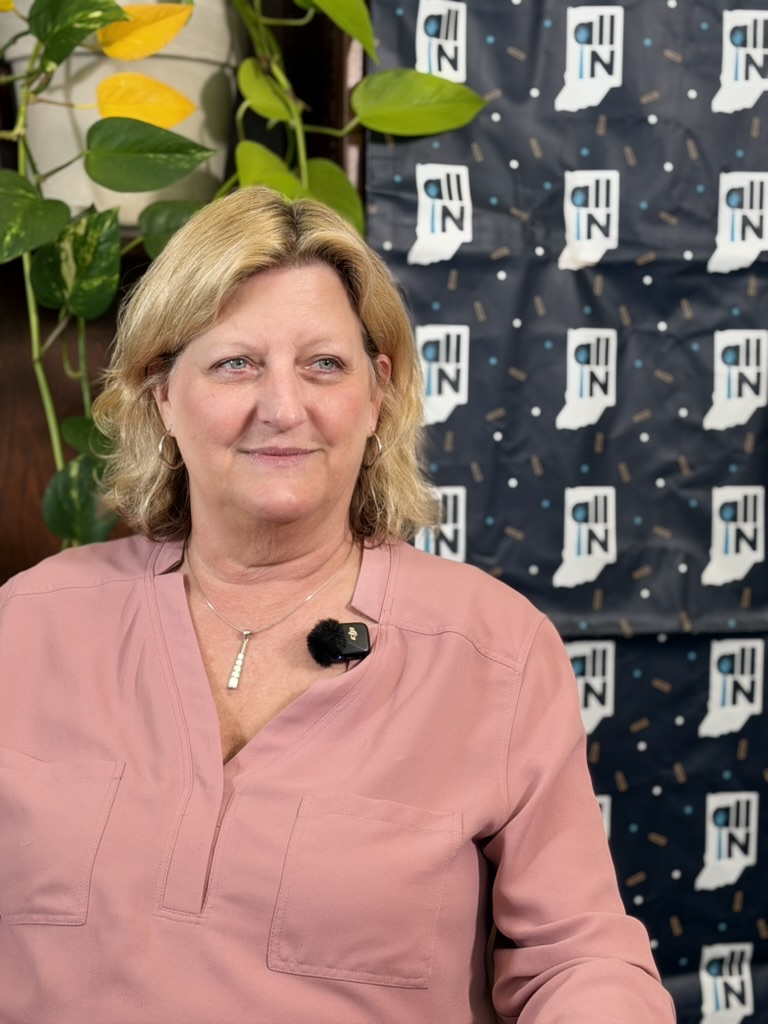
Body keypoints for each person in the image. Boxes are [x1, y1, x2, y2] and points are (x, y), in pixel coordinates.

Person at [0, 186, 676, 1024]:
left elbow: (577, 960)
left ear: (376, 393)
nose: (283, 408)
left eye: (323, 364)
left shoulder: (496, 653)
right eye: (236, 363)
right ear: (163, 393)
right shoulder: (27, 625)